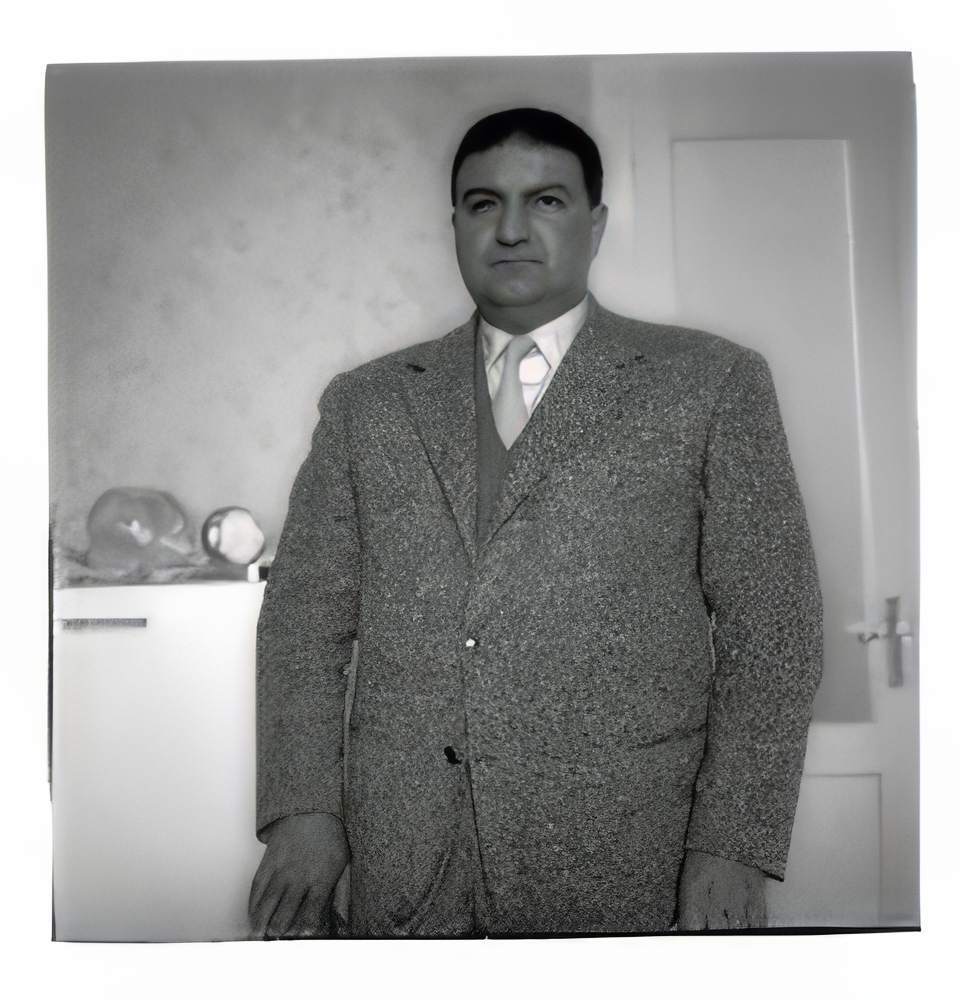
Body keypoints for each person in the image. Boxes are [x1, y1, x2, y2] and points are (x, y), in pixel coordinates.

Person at [248, 107, 823, 938]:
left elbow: (773, 632)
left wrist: (734, 842)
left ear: (595, 224)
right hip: (406, 862)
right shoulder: (366, 403)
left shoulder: (708, 383)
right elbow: (303, 626)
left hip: (625, 860)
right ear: (455, 225)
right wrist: (304, 810)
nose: (511, 229)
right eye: (484, 204)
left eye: (546, 200)